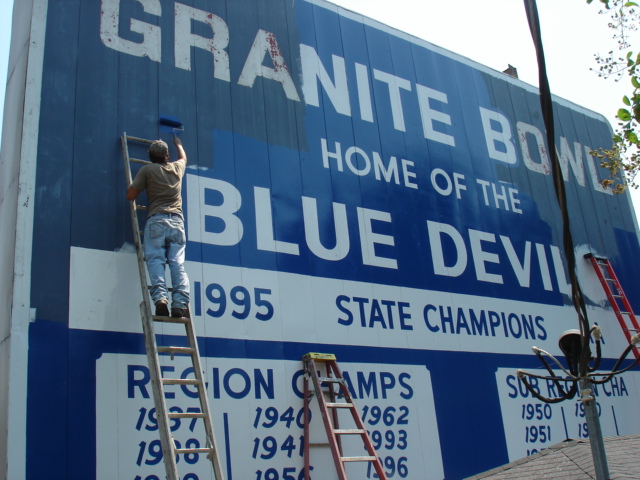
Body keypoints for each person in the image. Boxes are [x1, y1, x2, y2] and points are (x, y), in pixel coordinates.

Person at [127, 135, 190, 318]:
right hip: (177, 222)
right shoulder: (177, 168)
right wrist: (178, 143)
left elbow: (131, 195)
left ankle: (161, 299)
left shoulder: (147, 170)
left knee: (155, 260)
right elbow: (184, 158)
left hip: (156, 220)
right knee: (177, 263)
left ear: (150, 156)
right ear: (167, 155)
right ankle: (179, 303)